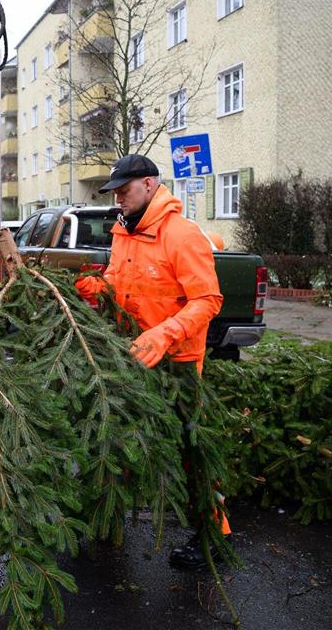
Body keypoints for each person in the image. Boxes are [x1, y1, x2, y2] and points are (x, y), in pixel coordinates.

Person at [74, 154, 230, 569]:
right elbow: (117, 283)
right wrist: (89, 288)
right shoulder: (124, 232)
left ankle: (212, 535)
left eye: (124, 191)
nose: (118, 199)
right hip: (132, 357)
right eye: (115, 192)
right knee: (123, 438)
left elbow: (208, 300)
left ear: (148, 185)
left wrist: (164, 335)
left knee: (187, 449)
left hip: (176, 363)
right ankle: (110, 516)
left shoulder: (181, 235)